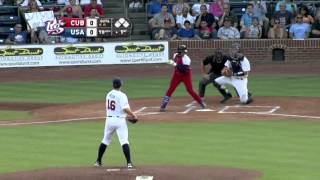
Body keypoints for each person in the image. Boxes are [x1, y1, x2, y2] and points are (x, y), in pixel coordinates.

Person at [94, 78, 137, 169]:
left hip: (109, 120)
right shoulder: (122, 95)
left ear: (113, 85)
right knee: (124, 141)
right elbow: (125, 109)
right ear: (121, 85)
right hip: (120, 121)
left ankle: (98, 161)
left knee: (105, 140)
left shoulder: (108, 94)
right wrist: (133, 115)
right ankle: (129, 163)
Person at [160, 45, 207, 112]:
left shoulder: (187, 59)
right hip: (177, 75)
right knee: (171, 89)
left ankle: (201, 102)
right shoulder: (175, 55)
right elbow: (177, 66)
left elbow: (184, 70)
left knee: (190, 90)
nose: (184, 53)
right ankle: (163, 105)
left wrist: (175, 64)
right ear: (179, 51)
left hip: (186, 75)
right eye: (183, 51)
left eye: (184, 52)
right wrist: (174, 64)